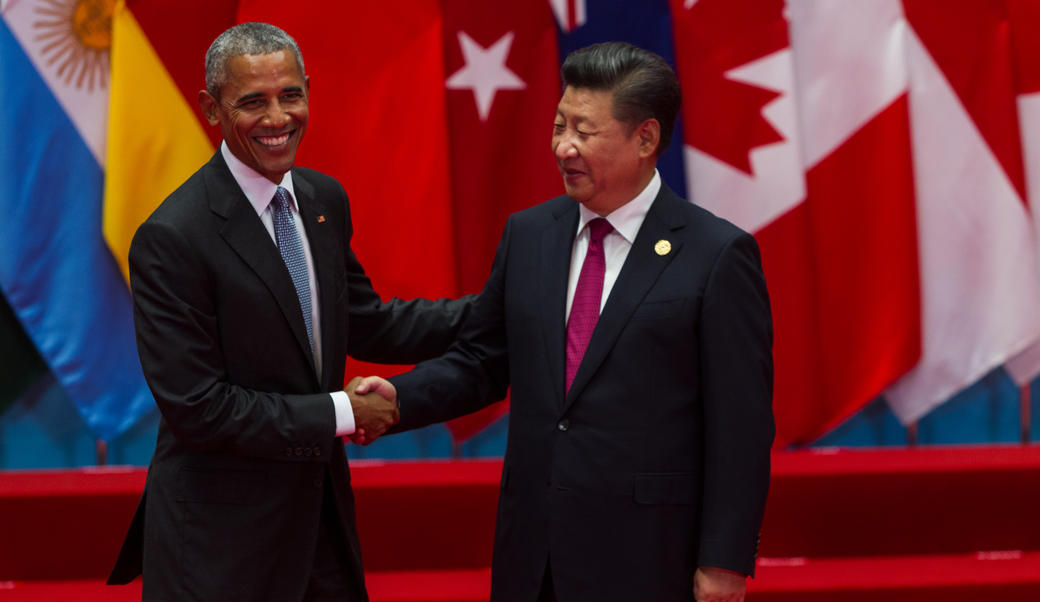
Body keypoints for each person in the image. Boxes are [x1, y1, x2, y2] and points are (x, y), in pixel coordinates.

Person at [356, 42, 775, 602]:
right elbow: (483, 360)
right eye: (559, 125)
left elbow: (741, 427)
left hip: (650, 555)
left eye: (584, 130)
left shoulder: (717, 254)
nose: (563, 146)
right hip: (535, 554)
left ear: (645, 138)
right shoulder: (530, 235)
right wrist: (398, 398)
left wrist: (724, 562)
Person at [106, 22, 472, 602]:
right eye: (253, 102)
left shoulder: (323, 199)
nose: (278, 118)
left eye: (290, 95)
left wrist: (503, 307)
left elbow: (370, 322)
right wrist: (343, 413)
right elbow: (200, 408)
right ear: (210, 108)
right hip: (221, 546)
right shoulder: (173, 237)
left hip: (320, 527)